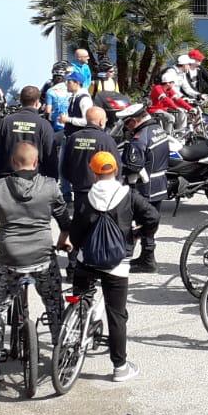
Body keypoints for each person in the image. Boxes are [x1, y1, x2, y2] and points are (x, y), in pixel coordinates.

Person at [0, 141, 70, 381]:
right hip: (42, 256)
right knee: (54, 303)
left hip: (10, 258)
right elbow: (65, 221)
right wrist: (63, 240)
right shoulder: (49, 186)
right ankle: (62, 351)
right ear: (36, 162)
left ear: (14, 163)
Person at [66, 150, 157, 383]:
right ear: (116, 170)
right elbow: (152, 217)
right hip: (117, 265)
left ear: (93, 172)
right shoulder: (129, 195)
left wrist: (80, 247)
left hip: (87, 262)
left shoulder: (86, 197)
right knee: (116, 315)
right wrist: (139, 235)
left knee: (80, 302)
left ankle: (68, 353)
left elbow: (76, 232)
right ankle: (120, 367)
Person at [118, 103, 167, 272]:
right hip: (159, 184)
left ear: (133, 121)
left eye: (126, 123)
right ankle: (147, 258)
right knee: (150, 221)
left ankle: (129, 261)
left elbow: (133, 165)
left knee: (135, 223)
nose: (126, 127)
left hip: (144, 188)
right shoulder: (157, 129)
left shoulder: (139, 138)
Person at [60, 105, 120, 208]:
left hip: (79, 190)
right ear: (101, 121)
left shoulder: (74, 138)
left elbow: (64, 166)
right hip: (100, 193)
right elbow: (117, 167)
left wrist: (76, 181)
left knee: (80, 220)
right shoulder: (106, 140)